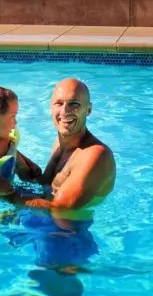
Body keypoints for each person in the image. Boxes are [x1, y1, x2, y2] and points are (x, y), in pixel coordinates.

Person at [14, 77, 116, 218]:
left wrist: (4, 193)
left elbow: (60, 209)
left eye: (74, 104)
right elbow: (44, 187)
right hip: (41, 220)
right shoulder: (59, 143)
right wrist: (10, 152)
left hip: (69, 234)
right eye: (59, 103)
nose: (65, 111)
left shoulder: (96, 154)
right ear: (51, 108)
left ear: (89, 109)